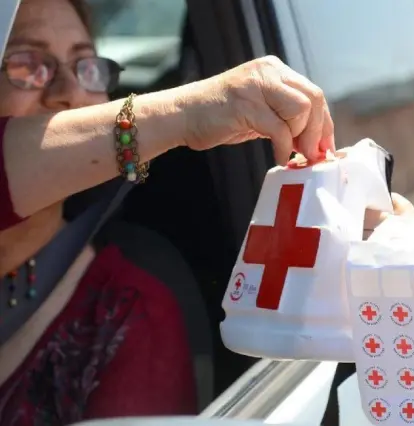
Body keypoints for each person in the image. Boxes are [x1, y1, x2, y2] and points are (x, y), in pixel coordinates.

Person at [0, 0, 341, 424]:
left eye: (86, 66)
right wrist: (182, 113)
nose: (68, 91)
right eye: (27, 64)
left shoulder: (127, 312)